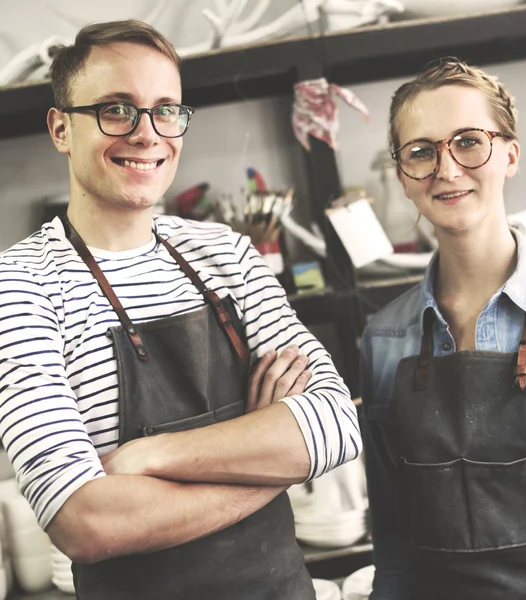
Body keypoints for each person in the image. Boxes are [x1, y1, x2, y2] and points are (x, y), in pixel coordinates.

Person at [0, 20, 362, 600]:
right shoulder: (19, 287)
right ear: (61, 127)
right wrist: (270, 453)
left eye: (166, 109)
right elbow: (87, 522)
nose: (148, 133)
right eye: (117, 108)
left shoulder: (228, 254)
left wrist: (147, 456)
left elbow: (337, 425)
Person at [360, 56, 526, 600]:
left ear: (510, 154)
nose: (446, 169)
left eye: (468, 141)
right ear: (402, 175)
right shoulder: (383, 339)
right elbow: (393, 538)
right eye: (421, 151)